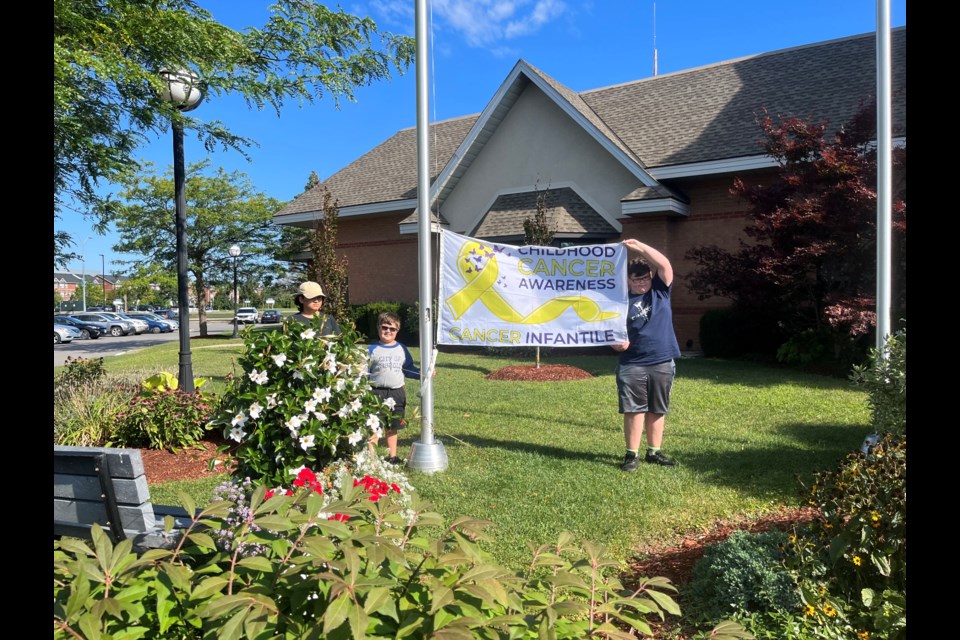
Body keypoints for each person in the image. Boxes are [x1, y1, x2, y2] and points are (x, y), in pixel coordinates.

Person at [611, 238, 681, 471]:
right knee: (634, 409)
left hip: (662, 360)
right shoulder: (619, 301)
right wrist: (616, 345)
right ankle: (632, 455)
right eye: (636, 279)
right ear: (628, 280)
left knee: (657, 408)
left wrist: (640, 247)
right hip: (632, 363)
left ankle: (655, 452)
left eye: (645, 278)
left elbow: (665, 264)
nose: (642, 283)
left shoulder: (660, 291)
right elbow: (611, 334)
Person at [366, 312, 421, 465]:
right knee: (374, 426)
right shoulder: (371, 349)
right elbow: (364, 372)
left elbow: (409, 368)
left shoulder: (402, 349)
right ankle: (372, 459)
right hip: (375, 393)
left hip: (397, 392)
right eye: (385, 327)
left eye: (392, 329)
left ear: (397, 330)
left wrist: (423, 374)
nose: (388, 331)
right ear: (378, 328)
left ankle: (393, 456)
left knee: (392, 426)